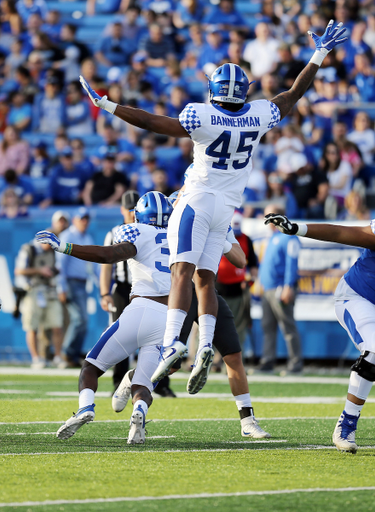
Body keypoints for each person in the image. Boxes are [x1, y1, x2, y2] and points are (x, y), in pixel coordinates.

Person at [79, 20, 348, 394]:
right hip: (228, 208)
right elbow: (292, 94)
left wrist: (108, 105)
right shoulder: (257, 115)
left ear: (213, 90)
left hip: (197, 199)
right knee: (205, 279)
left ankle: (173, 342)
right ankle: (204, 344)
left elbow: (153, 123)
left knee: (181, 272)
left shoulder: (201, 116)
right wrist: (319, 54)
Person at [35, 192, 174, 444]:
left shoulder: (134, 231)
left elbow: (108, 255)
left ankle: (86, 407)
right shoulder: (179, 237)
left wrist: (64, 247)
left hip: (141, 308)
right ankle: (139, 413)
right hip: (169, 317)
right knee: (143, 385)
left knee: (90, 368)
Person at [263, 212, 375, 453]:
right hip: (358, 296)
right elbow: (341, 233)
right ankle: (347, 422)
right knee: (374, 351)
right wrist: (297, 228)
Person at [100, 190, 139, 391]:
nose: (132, 214)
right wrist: (104, 293)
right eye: (129, 209)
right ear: (122, 209)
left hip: (145, 288)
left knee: (155, 336)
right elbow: (106, 265)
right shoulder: (114, 232)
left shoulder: (148, 229)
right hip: (123, 288)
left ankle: (158, 384)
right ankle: (119, 384)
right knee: (120, 335)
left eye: (135, 209)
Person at [257, 204, 303, 375]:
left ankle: (295, 364)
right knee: (267, 326)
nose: (265, 220)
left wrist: (288, 286)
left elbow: (292, 263)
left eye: (268, 216)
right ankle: (267, 361)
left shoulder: (289, 237)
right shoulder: (273, 236)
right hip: (268, 288)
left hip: (280, 288)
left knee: (287, 326)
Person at [14, 234, 64, 368]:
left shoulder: (55, 251)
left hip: (50, 290)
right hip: (33, 290)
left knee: (57, 325)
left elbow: (60, 270)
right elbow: (19, 271)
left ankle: (57, 357)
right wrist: (39, 270)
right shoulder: (29, 249)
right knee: (32, 326)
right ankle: (36, 358)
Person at [55, 207, 94, 368]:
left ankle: (72, 355)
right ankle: (66, 353)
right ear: (74, 220)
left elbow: (94, 265)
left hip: (82, 283)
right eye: (81, 218)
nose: (84, 221)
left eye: (86, 219)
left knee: (83, 321)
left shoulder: (88, 238)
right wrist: (61, 287)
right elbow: (60, 265)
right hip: (70, 283)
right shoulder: (67, 236)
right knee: (79, 319)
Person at [216, 212, 258, 353]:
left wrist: (250, 282)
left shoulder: (246, 239)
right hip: (216, 288)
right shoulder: (217, 236)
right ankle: (209, 360)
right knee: (209, 324)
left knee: (237, 326)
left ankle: (236, 358)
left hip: (237, 290)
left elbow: (253, 265)